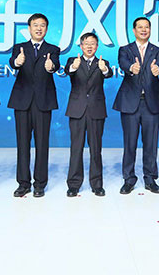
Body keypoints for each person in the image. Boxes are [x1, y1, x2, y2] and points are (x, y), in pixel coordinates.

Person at [113, 17, 159, 194]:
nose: (144, 30)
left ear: (150, 30)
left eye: (147, 27)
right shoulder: (125, 49)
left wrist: (157, 69)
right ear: (134, 30)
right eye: (140, 27)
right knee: (129, 143)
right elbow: (123, 63)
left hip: (152, 102)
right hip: (130, 102)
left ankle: (150, 179)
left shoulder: (157, 50)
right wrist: (131, 68)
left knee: (151, 143)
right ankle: (129, 179)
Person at [8, 13, 60, 198]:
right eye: (35, 25)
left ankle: (40, 183)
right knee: (22, 144)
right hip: (22, 101)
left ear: (46, 28)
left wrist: (51, 67)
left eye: (42, 25)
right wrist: (17, 62)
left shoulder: (53, 49)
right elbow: (13, 62)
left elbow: (55, 65)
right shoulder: (19, 47)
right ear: (29, 28)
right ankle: (23, 183)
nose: (39, 28)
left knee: (42, 144)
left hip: (43, 101)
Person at [65, 33, 112, 197]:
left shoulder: (103, 63)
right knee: (76, 149)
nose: (89, 46)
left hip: (96, 110)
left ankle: (97, 184)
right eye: (86, 43)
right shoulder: (73, 61)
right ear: (81, 46)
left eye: (93, 43)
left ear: (97, 46)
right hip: (77, 109)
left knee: (96, 149)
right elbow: (68, 71)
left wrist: (104, 69)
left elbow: (108, 74)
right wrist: (74, 67)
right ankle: (73, 185)